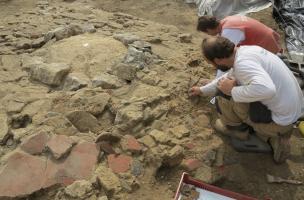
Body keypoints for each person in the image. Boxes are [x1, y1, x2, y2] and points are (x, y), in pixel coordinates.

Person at [189, 36, 304, 164]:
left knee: (221, 95)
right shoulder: (245, 51)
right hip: (291, 112)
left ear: (217, 60)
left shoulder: (243, 65)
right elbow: (230, 75)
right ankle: (277, 136)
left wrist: (231, 91)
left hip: (279, 121)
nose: (212, 65)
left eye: (211, 63)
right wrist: (202, 90)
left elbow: (267, 89)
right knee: (232, 84)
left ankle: (238, 131)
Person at [197, 15, 282, 77]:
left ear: (208, 29)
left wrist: (217, 80)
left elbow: (225, 57)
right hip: (268, 39)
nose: (209, 35)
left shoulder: (229, 31)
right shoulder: (226, 21)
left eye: (207, 32)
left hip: (267, 48)